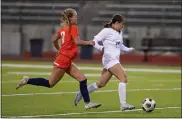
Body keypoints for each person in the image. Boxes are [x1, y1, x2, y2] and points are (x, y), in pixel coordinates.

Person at [16, 8, 101, 109]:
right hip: (64, 60)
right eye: (75, 16)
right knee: (50, 83)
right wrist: (89, 42)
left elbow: (54, 39)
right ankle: (27, 80)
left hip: (66, 59)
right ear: (70, 18)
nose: (77, 18)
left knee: (82, 79)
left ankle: (87, 103)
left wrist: (59, 49)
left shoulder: (63, 29)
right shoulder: (73, 28)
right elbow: (77, 42)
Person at [74, 14, 135, 111]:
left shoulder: (119, 32)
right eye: (122, 24)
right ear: (116, 23)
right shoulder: (106, 31)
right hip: (110, 59)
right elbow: (95, 41)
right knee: (123, 77)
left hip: (113, 60)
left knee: (101, 83)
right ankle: (123, 105)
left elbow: (120, 45)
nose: (123, 26)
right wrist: (100, 48)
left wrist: (128, 50)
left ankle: (81, 93)